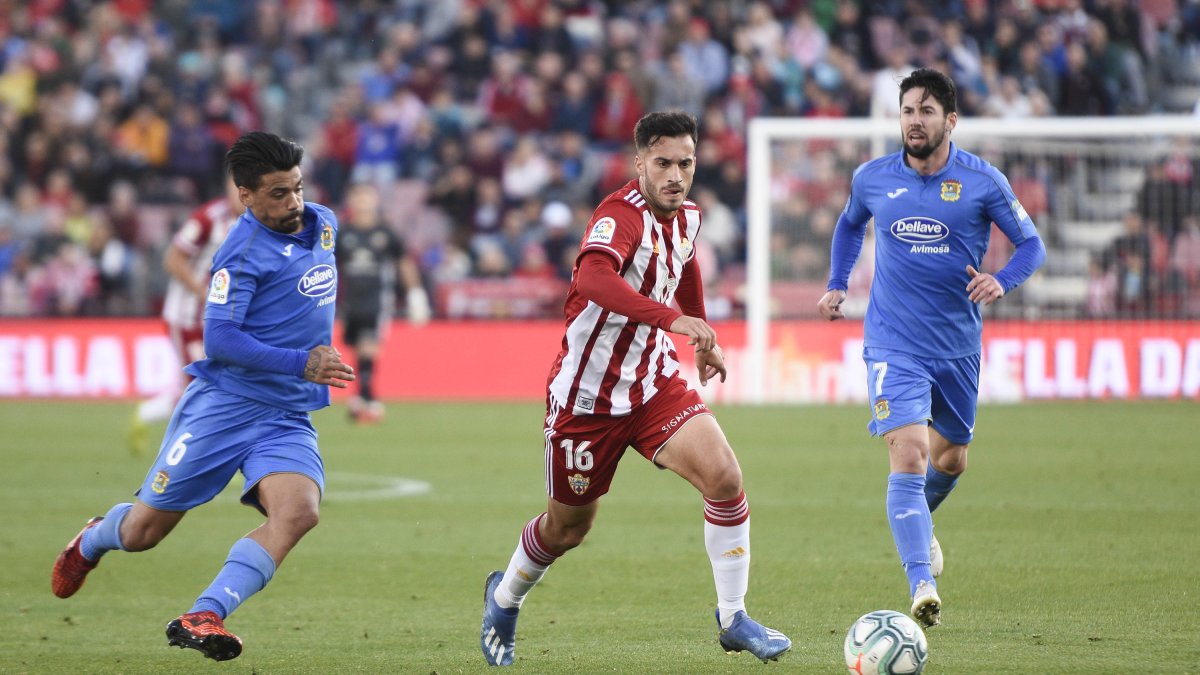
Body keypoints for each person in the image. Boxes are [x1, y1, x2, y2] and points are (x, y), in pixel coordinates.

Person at [479, 111, 791, 667]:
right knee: (568, 528)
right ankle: (504, 600)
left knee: (724, 477)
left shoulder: (690, 215)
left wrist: (701, 334)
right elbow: (594, 278)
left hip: (652, 384)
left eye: (686, 163)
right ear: (640, 162)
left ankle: (734, 616)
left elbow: (686, 262)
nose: (676, 175)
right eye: (664, 163)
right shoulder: (619, 215)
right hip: (586, 398)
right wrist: (673, 319)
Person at [51, 132, 355, 661]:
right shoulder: (239, 255)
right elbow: (221, 339)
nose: (293, 203)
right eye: (278, 194)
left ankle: (205, 612)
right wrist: (301, 360)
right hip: (224, 409)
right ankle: (95, 538)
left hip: (285, 413)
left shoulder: (324, 224)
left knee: (300, 512)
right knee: (145, 532)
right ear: (246, 196)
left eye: (298, 189)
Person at [817, 68, 1046, 629]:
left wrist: (1002, 280)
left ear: (950, 120)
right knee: (910, 454)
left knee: (951, 459)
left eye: (925, 111)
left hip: (958, 346)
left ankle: (918, 521)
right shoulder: (873, 177)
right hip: (893, 342)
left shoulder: (983, 181)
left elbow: (1031, 245)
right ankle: (921, 581)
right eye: (906, 110)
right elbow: (850, 227)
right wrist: (838, 282)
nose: (914, 121)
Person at [128, 178, 242, 454]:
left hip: (219, 320)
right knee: (201, 386)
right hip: (187, 316)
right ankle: (192, 454)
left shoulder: (257, 223)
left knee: (215, 385)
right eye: (235, 185)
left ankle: (149, 415)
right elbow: (172, 258)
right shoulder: (208, 218)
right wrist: (203, 293)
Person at [335, 182, 431, 423]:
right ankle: (361, 396)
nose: (362, 201)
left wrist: (415, 294)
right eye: (357, 196)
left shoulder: (386, 233)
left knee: (370, 346)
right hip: (350, 303)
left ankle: (369, 399)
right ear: (350, 201)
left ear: (375, 200)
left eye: (367, 196)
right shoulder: (343, 233)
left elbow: (404, 263)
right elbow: (329, 265)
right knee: (358, 349)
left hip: (377, 300)